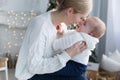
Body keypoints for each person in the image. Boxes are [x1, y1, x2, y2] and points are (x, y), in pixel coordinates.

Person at [15, 0, 93, 80]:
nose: (80, 22)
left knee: (79, 76)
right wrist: (68, 54)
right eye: (81, 18)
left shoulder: (62, 25)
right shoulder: (40, 26)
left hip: (45, 70)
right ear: (70, 11)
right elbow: (34, 66)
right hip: (31, 75)